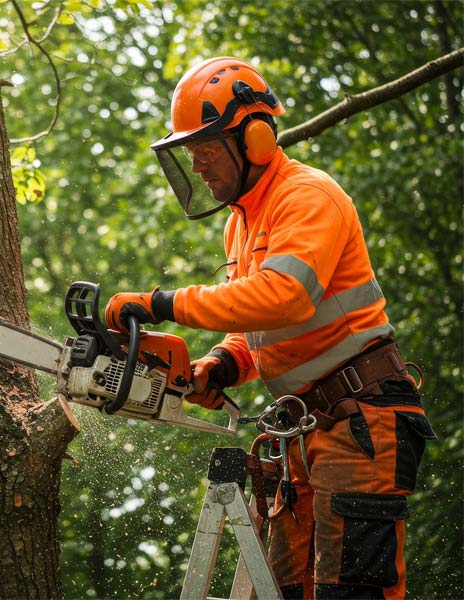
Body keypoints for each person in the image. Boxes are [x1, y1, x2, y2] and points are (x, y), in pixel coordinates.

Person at [104, 57, 435, 599]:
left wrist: (163, 304)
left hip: (361, 419)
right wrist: (223, 363)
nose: (200, 165)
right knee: (281, 589)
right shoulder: (242, 221)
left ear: (255, 138)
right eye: (192, 154)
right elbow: (255, 323)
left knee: (350, 593)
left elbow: (286, 296)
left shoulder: (307, 197)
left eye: (207, 150)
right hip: (304, 430)